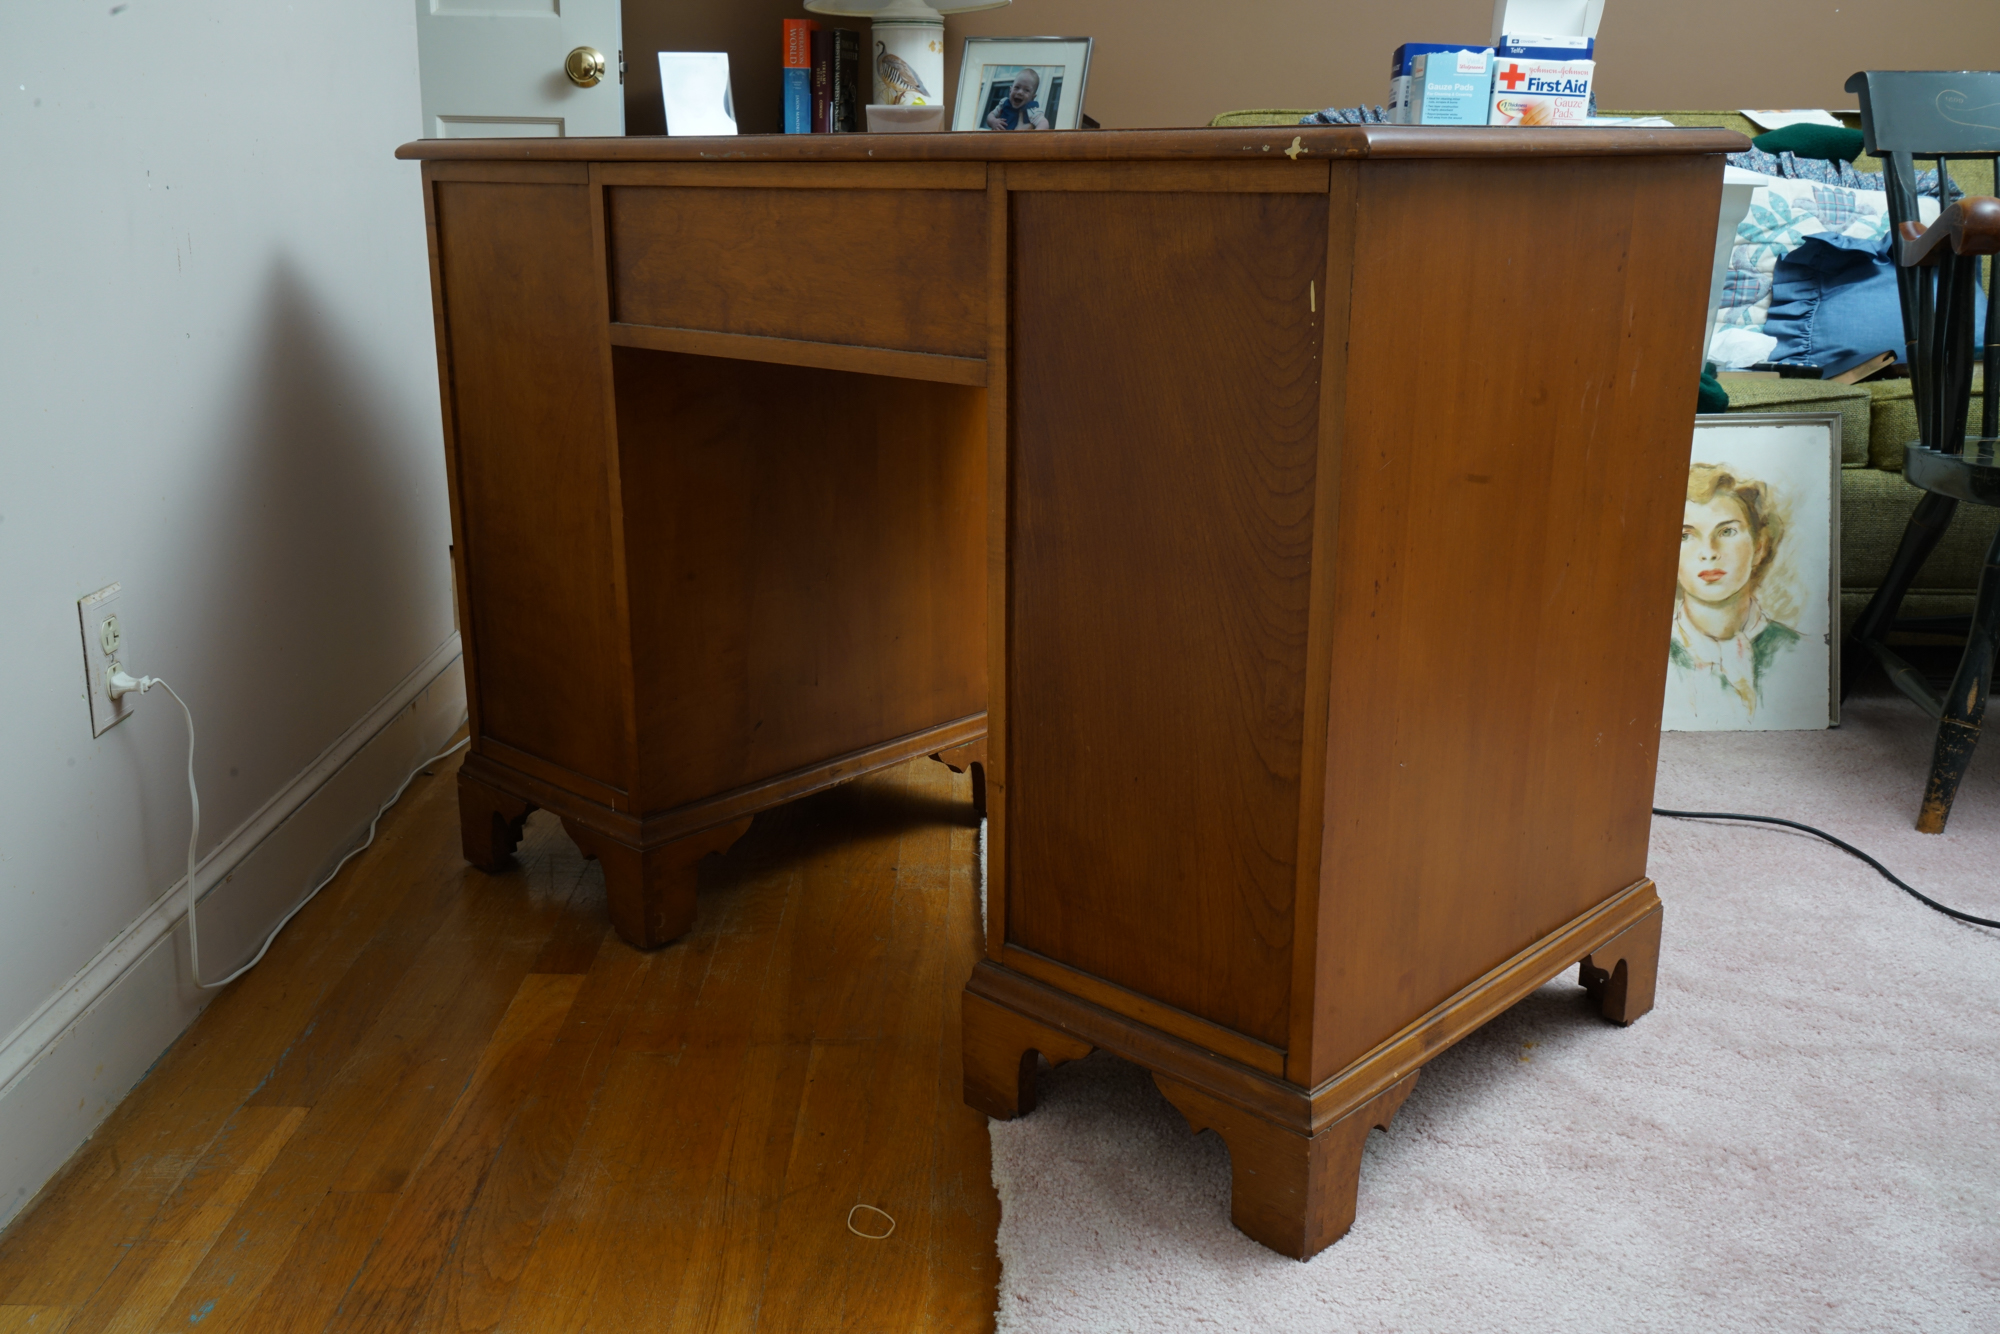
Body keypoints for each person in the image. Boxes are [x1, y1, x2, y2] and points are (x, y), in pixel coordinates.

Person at [1666, 463, 1808, 724]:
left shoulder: (1800, 653)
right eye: (1686, 536)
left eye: (1727, 531)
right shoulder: (1648, 658)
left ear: (1759, 546)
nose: (1708, 552)